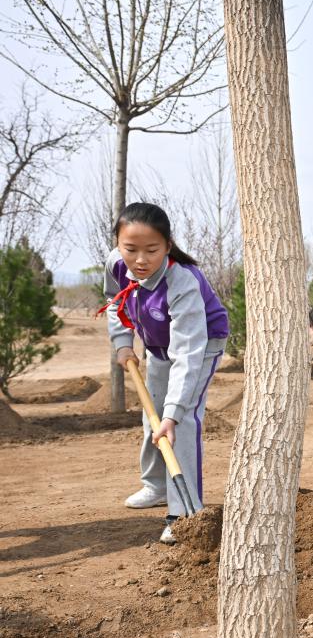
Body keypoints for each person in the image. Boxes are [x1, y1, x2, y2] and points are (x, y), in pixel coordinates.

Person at [98, 202, 229, 545]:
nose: (140, 259)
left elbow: (186, 353)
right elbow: (115, 300)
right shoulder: (116, 263)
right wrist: (122, 342)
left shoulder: (182, 281)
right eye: (131, 249)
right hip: (157, 347)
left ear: (168, 246)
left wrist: (173, 412)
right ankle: (156, 486)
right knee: (152, 418)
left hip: (201, 347)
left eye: (152, 250)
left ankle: (184, 512)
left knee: (178, 424)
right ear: (118, 244)